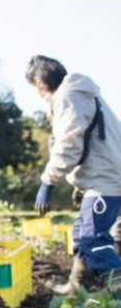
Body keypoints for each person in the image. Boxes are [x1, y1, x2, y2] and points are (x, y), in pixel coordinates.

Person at [26, 55, 121, 295]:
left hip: (104, 181)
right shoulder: (80, 94)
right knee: (82, 234)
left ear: (40, 82)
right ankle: (76, 287)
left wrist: (48, 182)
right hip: (103, 177)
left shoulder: (69, 97)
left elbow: (69, 145)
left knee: (92, 240)